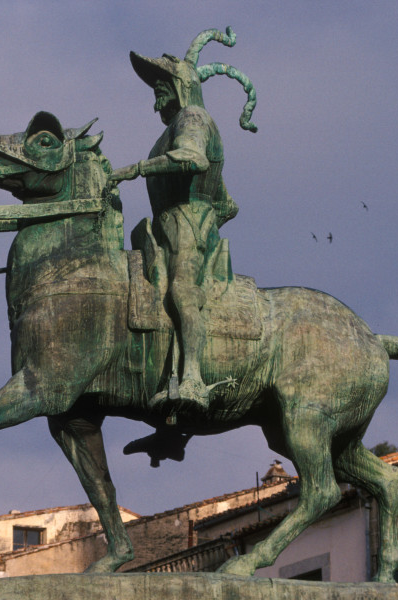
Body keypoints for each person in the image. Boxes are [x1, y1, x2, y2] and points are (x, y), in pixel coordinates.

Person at [111, 27, 256, 409]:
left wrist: (137, 169)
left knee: (181, 291)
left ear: (180, 87)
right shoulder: (177, 128)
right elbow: (229, 203)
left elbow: (194, 158)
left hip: (187, 223)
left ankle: (191, 378)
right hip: (173, 223)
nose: (155, 96)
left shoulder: (192, 118)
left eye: (161, 86)